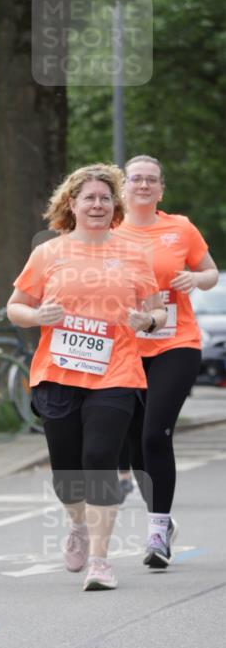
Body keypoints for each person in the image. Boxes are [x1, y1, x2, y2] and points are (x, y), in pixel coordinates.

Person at [7, 164, 166, 591]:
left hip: (117, 372)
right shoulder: (49, 253)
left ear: (115, 204)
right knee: (66, 472)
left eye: (104, 197)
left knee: (100, 458)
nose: (97, 204)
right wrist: (38, 315)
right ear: (71, 204)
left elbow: (158, 310)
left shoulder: (134, 253)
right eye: (88, 198)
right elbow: (14, 307)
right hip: (58, 373)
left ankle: (100, 559)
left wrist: (146, 320)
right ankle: (77, 523)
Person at [116, 154, 218, 567]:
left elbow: (210, 271)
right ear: (123, 186)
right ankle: (162, 517)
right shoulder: (108, 232)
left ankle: (157, 531)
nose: (143, 185)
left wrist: (196, 279)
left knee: (156, 434)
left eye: (151, 180)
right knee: (136, 445)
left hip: (177, 342)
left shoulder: (180, 228)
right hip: (126, 348)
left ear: (161, 189)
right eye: (136, 179)